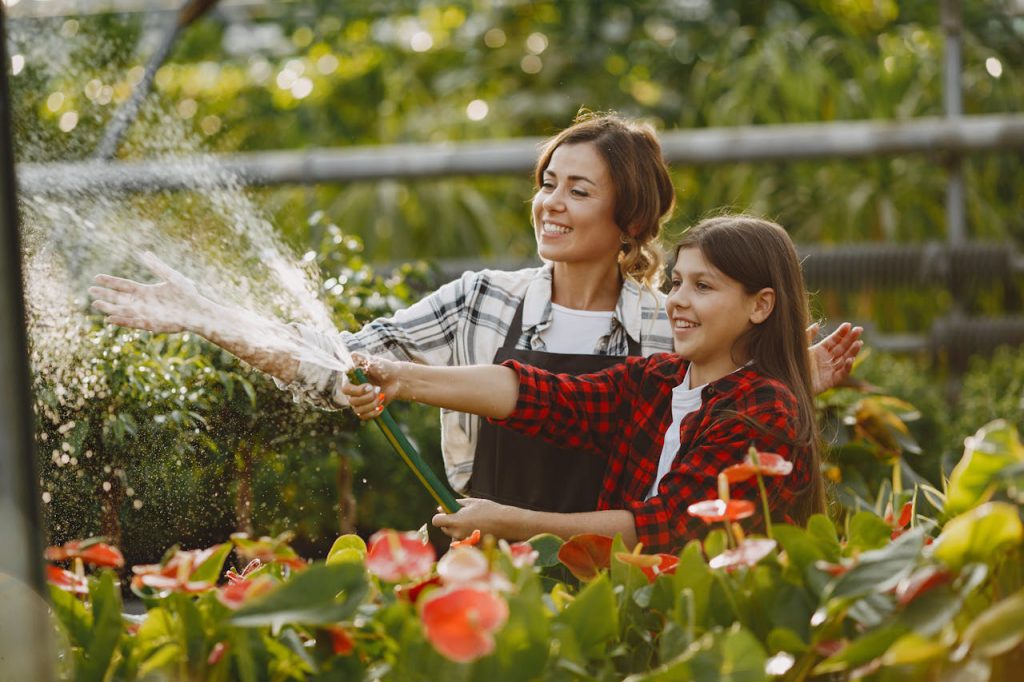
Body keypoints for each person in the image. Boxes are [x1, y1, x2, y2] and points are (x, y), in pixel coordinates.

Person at [90, 113, 860, 519]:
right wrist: (208, 317)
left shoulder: (669, 328)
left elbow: (719, 422)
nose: (550, 204)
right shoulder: (482, 300)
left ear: (629, 218)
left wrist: (798, 384)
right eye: (547, 182)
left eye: (577, 191)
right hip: (478, 556)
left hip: (606, 570)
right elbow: (334, 360)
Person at [347, 215, 826, 553]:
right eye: (677, 282)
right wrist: (399, 377)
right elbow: (547, 398)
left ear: (760, 306)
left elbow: (664, 528)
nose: (677, 301)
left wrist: (515, 525)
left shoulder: (764, 408)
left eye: (703, 287)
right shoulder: (658, 380)